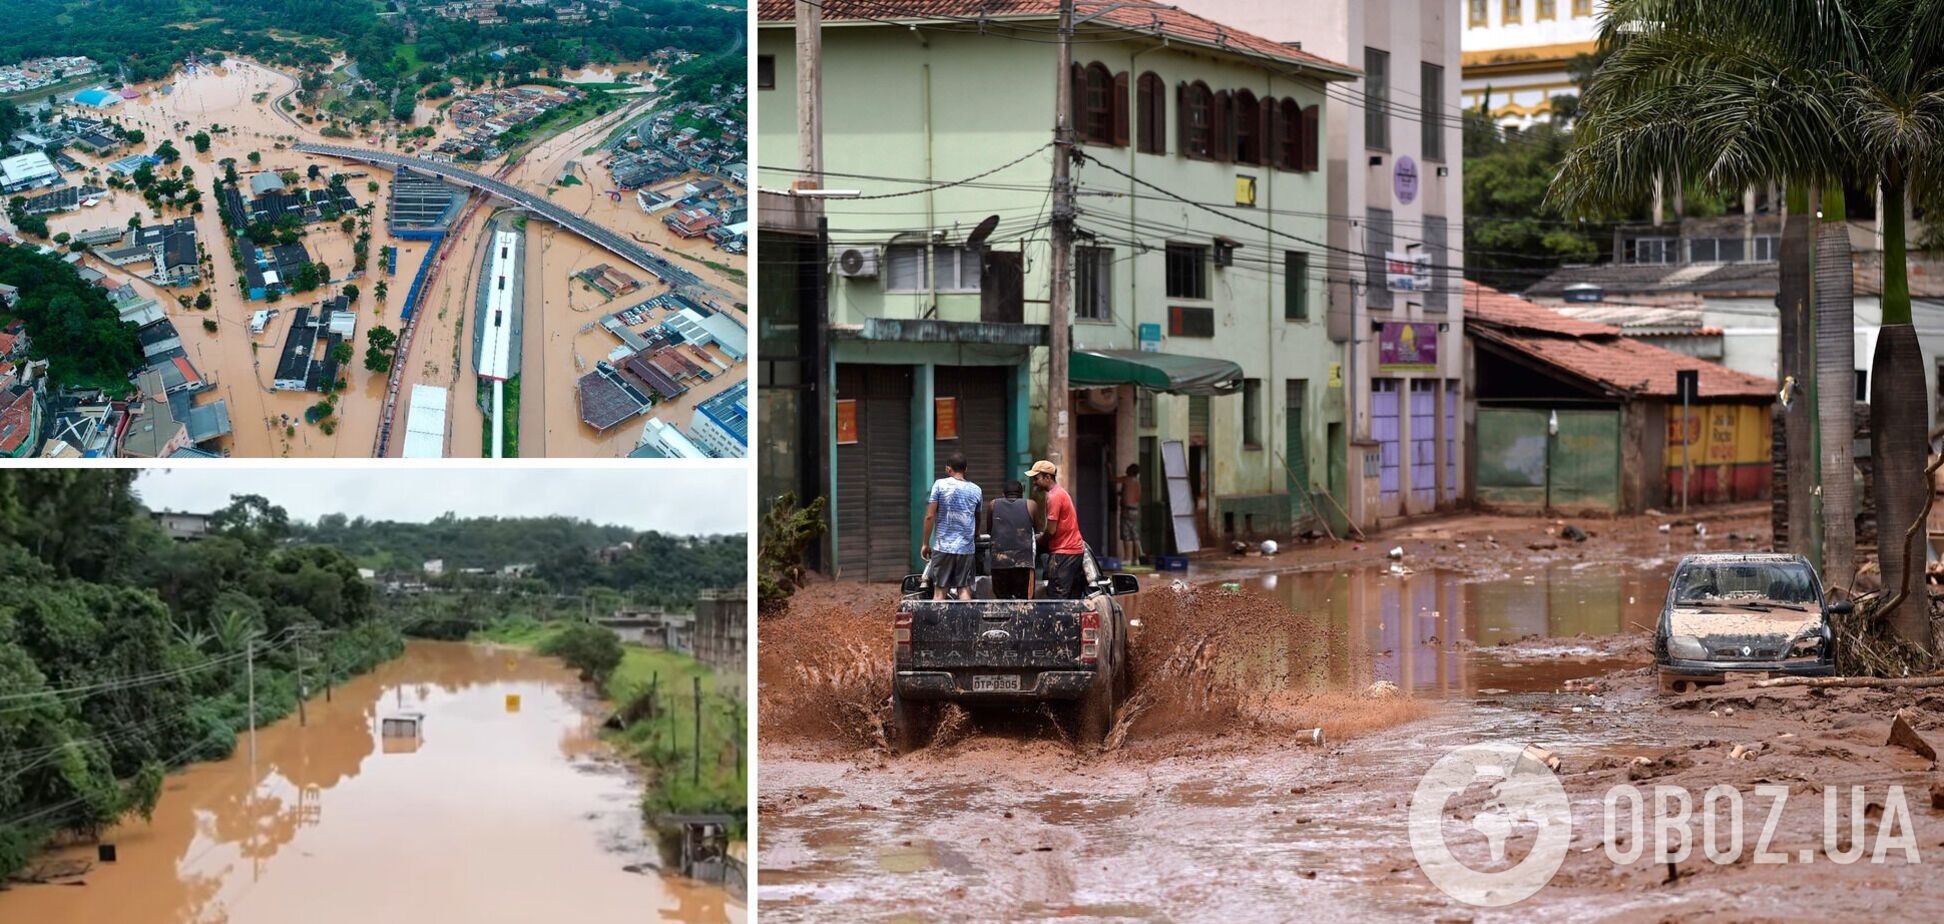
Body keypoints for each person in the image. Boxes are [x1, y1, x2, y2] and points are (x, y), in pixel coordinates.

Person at [921, 453, 983, 600]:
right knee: (964, 590)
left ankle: (939, 623)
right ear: (965, 469)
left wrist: (925, 543)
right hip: (966, 549)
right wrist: (975, 536)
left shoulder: (939, 485)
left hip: (943, 547)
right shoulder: (976, 490)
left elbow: (930, 516)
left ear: (948, 469)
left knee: (940, 591)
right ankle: (965, 623)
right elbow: (977, 517)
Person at [1027, 460, 1088, 600]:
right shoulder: (1060, 493)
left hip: (1064, 553)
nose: (1034, 483)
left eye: (1036, 479)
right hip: (1072, 551)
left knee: (1057, 599)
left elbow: (1051, 531)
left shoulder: (1054, 497)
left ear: (1047, 477)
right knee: (1069, 598)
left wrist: (1040, 540)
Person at [987, 480, 1038, 599]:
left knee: (1002, 602)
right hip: (1023, 564)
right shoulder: (1031, 505)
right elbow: (1036, 530)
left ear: (1003, 494)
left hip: (999, 563)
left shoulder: (993, 504)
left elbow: (990, 530)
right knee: (1024, 603)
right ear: (1021, 494)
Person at [1116, 463, 1144, 565]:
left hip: (1127, 510)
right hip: (1135, 510)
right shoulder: (1137, 483)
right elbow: (1137, 497)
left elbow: (1112, 479)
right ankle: (1136, 559)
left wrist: (1109, 467)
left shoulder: (1127, 479)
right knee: (1135, 535)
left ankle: (1127, 558)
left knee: (1126, 534)